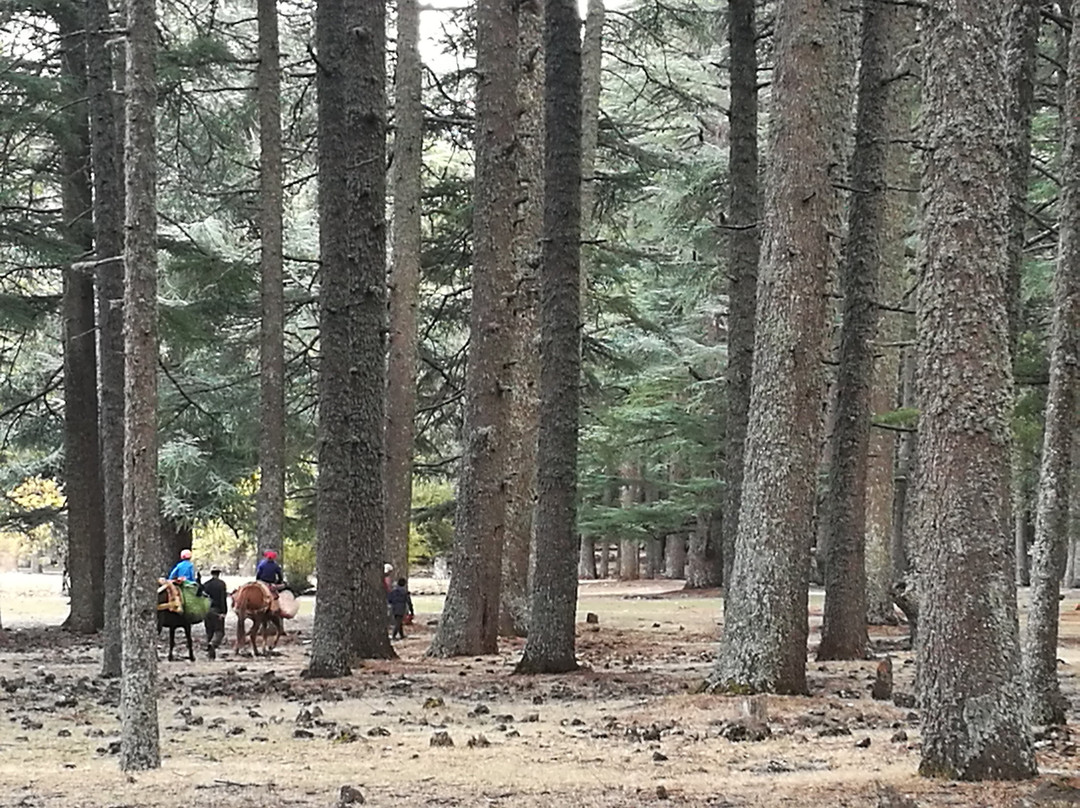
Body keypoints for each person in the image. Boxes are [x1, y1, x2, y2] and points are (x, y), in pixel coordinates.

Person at [203, 567, 228, 653]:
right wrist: (224, 612)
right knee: (219, 631)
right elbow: (222, 599)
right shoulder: (221, 584)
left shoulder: (206, 584)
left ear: (211, 573)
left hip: (207, 610)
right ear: (219, 573)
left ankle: (209, 648)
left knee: (209, 630)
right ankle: (213, 644)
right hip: (217, 610)